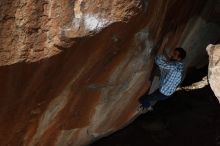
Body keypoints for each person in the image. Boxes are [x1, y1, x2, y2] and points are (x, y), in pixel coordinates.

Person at [138, 47, 186, 113]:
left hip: (163, 93)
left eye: (174, 54)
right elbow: (168, 62)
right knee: (152, 97)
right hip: (169, 92)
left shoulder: (173, 66)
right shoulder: (179, 65)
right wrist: (165, 54)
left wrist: (156, 54)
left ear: (179, 58)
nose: (172, 54)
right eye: (173, 52)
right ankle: (147, 104)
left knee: (143, 99)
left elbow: (161, 63)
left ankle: (148, 108)